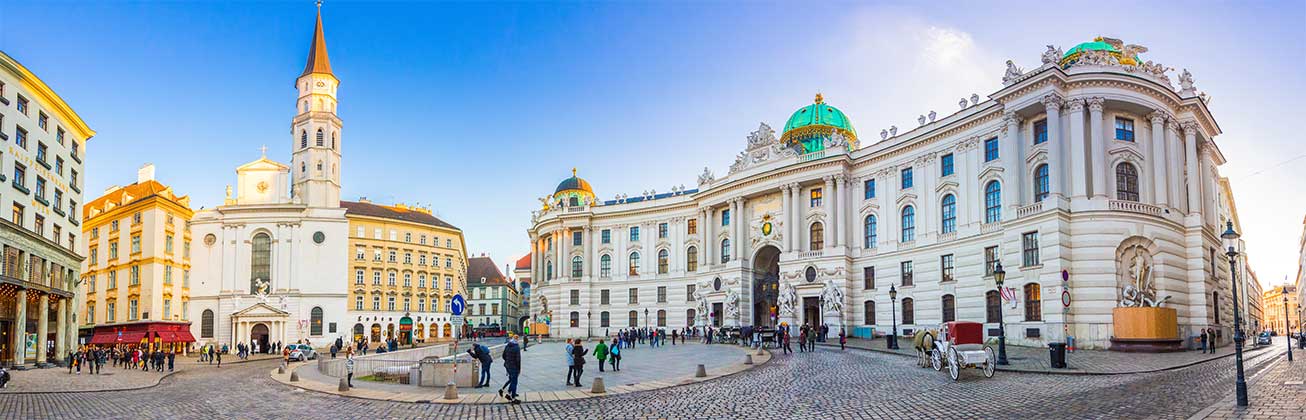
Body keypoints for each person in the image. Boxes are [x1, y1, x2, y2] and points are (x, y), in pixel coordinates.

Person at [500, 335, 522, 404]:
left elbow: (503, 355)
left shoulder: (507, 346)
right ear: (517, 339)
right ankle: (513, 398)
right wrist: (519, 369)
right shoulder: (517, 347)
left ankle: (508, 394)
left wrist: (508, 361)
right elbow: (518, 360)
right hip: (514, 367)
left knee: (511, 380)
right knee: (514, 382)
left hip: (508, 366)